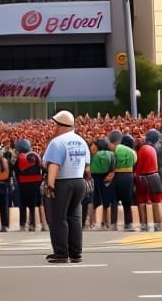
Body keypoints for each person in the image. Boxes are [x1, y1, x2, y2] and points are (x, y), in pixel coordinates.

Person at [42, 109, 91, 264]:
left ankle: (61, 253)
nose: (54, 127)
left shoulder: (57, 142)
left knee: (58, 218)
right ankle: (76, 253)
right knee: (75, 217)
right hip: (79, 181)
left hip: (63, 182)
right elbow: (87, 168)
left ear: (62, 126)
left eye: (56, 124)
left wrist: (50, 185)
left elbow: (53, 165)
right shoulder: (81, 141)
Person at [107, 129, 137, 230]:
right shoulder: (131, 151)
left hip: (117, 175)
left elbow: (111, 163)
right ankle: (129, 223)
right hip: (128, 176)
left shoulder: (114, 150)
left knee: (114, 199)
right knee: (127, 200)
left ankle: (113, 223)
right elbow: (135, 161)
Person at [135, 129, 162, 232]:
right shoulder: (153, 149)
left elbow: (139, 166)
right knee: (157, 200)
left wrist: (137, 176)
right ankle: (158, 223)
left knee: (142, 200)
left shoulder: (143, 149)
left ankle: (144, 223)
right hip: (155, 176)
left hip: (143, 177)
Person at [13, 139, 43, 231]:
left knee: (22, 205)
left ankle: (22, 224)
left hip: (23, 184)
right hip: (35, 184)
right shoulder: (36, 156)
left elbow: (15, 170)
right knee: (32, 205)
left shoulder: (19, 158)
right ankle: (32, 224)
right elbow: (41, 168)